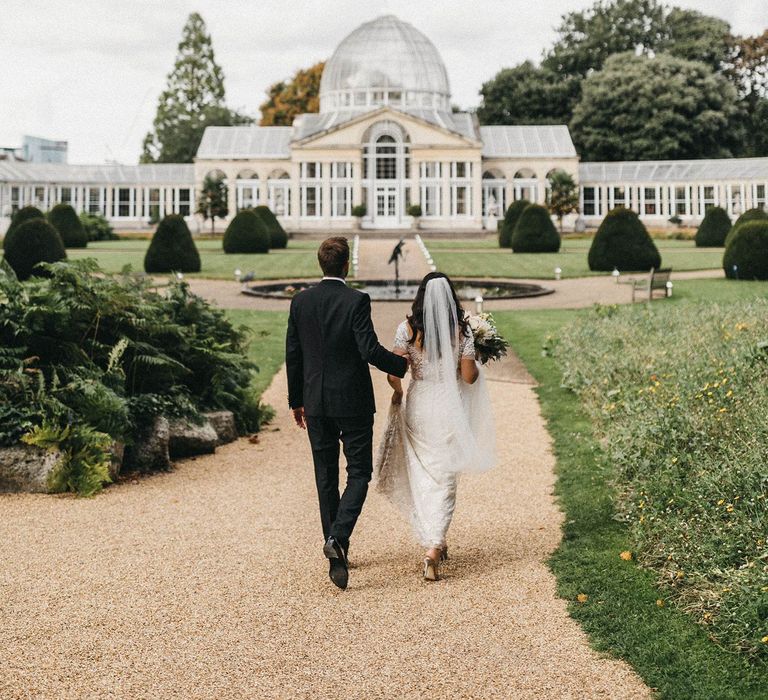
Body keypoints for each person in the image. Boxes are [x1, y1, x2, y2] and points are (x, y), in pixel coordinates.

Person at [286, 237, 408, 590]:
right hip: (352, 401)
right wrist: (402, 363)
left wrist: (297, 401)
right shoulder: (356, 300)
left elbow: (293, 354)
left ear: (320, 264)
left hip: (316, 402)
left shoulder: (301, 301)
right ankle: (338, 538)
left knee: (325, 476)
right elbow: (368, 349)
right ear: (346, 265)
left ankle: (336, 547)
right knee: (359, 473)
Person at [375, 272, 495, 581]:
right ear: (450, 298)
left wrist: (399, 394)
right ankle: (434, 545)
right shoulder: (462, 332)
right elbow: (468, 377)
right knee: (445, 475)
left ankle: (433, 540)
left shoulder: (407, 329)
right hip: (447, 405)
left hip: (419, 402)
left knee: (422, 471)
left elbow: (394, 372)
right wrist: (476, 362)